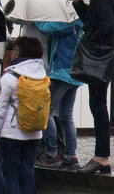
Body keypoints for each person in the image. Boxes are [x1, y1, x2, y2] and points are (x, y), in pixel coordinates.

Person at [0, 35, 47, 194]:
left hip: (11, 134)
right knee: (28, 175)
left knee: (11, 176)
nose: (12, 52)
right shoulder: (41, 74)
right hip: (34, 133)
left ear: (21, 52)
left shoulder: (10, 77)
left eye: (16, 49)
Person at [69, 0, 114, 173]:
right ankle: (101, 156)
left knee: (98, 105)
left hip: (99, 55)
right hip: (103, 54)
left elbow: (106, 27)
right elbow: (93, 20)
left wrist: (90, 37)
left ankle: (102, 157)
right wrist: (78, 2)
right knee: (98, 104)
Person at [35, 18, 83, 169]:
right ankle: (70, 155)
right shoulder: (81, 21)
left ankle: (51, 154)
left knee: (45, 111)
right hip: (74, 73)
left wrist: (36, 18)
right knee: (66, 115)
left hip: (63, 72)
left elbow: (48, 28)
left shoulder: (73, 21)